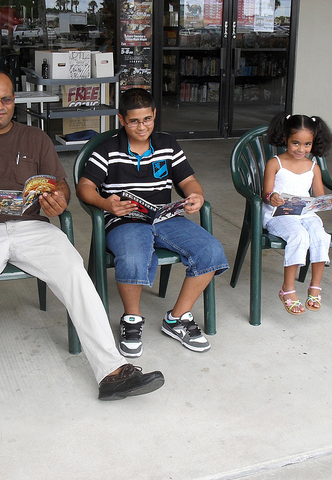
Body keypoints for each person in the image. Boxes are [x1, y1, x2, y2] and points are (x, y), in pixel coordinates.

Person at [0, 70, 164, 429]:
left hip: (32, 227)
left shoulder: (34, 138)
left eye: (6, 99)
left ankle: (112, 372)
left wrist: (58, 201)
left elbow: (60, 186)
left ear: (14, 100)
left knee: (75, 273)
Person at [76, 88, 228, 358]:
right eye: (133, 121)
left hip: (165, 217)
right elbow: (85, 186)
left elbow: (187, 180)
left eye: (147, 119)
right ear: (121, 119)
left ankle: (177, 318)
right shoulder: (107, 149)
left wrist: (196, 195)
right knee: (133, 256)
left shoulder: (167, 144)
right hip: (124, 220)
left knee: (210, 250)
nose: (141, 126)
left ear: (155, 114)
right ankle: (132, 318)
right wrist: (105, 203)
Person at [262, 113, 332, 315]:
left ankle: (315, 286)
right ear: (285, 139)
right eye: (296, 143)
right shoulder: (275, 163)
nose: (301, 149)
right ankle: (287, 289)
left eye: (307, 144)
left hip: (306, 214)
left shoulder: (313, 167)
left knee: (320, 236)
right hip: (278, 214)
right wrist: (272, 197)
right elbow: (266, 194)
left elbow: (320, 196)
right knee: (298, 235)